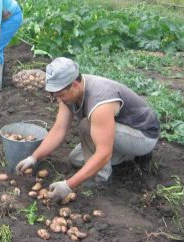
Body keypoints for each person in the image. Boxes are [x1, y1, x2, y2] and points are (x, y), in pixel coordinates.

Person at [16, 57, 160, 201]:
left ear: (75, 85)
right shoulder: (68, 94)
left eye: (60, 95)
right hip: (118, 131)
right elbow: (58, 130)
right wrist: (34, 157)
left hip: (143, 135)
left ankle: (101, 180)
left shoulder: (100, 101)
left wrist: (68, 185)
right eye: (55, 95)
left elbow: (103, 153)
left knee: (86, 126)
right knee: (76, 159)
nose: (58, 100)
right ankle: (128, 156)